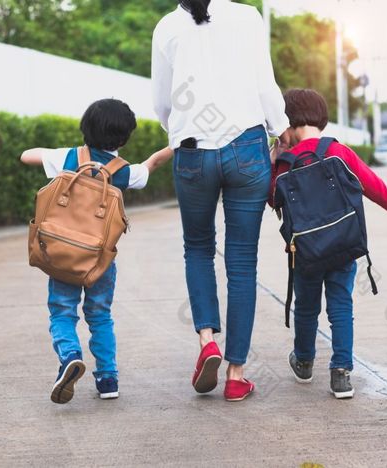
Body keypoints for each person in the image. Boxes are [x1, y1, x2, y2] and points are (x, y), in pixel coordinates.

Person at [151, 0, 292, 401]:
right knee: (242, 261)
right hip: (245, 147)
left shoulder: (166, 27)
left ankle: (207, 342)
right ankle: (236, 373)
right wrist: (280, 130)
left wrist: (180, 129)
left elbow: (162, 101)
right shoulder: (248, 17)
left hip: (193, 150)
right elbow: (265, 84)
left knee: (197, 249)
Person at [20, 98, 172, 403]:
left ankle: (70, 357)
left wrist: (51, 154)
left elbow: (26, 156)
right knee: (100, 316)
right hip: (98, 262)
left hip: (61, 255)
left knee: (62, 311)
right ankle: (107, 380)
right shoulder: (123, 172)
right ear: (124, 137)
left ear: (85, 127)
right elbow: (152, 163)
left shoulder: (68, 158)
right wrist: (178, 143)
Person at [269, 88, 387, 398]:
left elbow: (272, 198)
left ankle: (304, 362)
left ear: (289, 121)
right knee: (340, 305)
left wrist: (274, 157)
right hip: (343, 244)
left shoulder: (286, 161)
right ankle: (341, 372)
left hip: (305, 250)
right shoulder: (339, 151)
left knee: (306, 307)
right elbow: (373, 186)